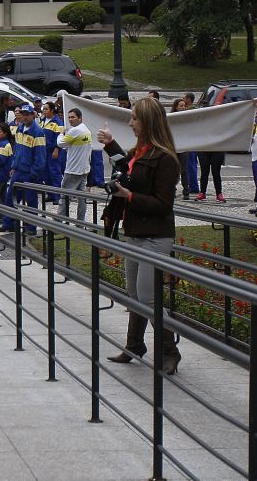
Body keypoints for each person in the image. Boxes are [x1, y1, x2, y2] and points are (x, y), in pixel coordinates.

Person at [97, 98, 182, 375]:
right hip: (135, 232)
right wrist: (110, 144)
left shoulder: (165, 158)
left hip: (155, 237)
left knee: (147, 299)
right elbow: (128, 167)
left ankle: (170, 351)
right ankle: (134, 345)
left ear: (148, 122)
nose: (131, 123)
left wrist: (129, 196)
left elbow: (163, 204)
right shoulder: (141, 152)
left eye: (135, 118)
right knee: (135, 295)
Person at [6, 104, 46, 235]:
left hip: (29, 173)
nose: (25, 116)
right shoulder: (20, 128)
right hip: (18, 170)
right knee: (10, 198)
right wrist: (13, 166)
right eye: (23, 114)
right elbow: (17, 149)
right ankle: (8, 223)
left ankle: (30, 227)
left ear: (33, 115)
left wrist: (33, 173)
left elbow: (40, 157)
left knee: (31, 201)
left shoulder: (37, 132)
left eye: (27, 114)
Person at [57, 108, 92, 221]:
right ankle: (80, 223)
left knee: (64, 198)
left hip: (73, 170)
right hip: (84, 169)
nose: (70, 119)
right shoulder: (86, 129)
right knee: (82, 198)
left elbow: (61, 143)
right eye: (69, 117)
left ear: (80, 118)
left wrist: (61, 133)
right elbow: (73, 147)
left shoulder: (74, 131)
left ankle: (58, 224)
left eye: (73, 117)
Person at [171, 99, 197, 200]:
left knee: (184, 171)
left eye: (184, 106)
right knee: (173, 171)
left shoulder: (186, 118)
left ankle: (186, 191)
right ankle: (172, 190)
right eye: (181, 106)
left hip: (183, 148)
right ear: (176, 107)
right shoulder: (171, 118)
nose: (183, 108)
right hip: (173, 148)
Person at [41, 102, 64, 204]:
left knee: (54, 173)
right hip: (44, 151)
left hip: (53, 151)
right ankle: (50, 194)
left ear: (51, 110)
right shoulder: (43, 121)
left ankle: (57, 196)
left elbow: (60, 137)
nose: (44, 111)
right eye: (43, 109)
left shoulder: (57, 122)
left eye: (46, 109)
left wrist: (56, 149)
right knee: (46, 174)